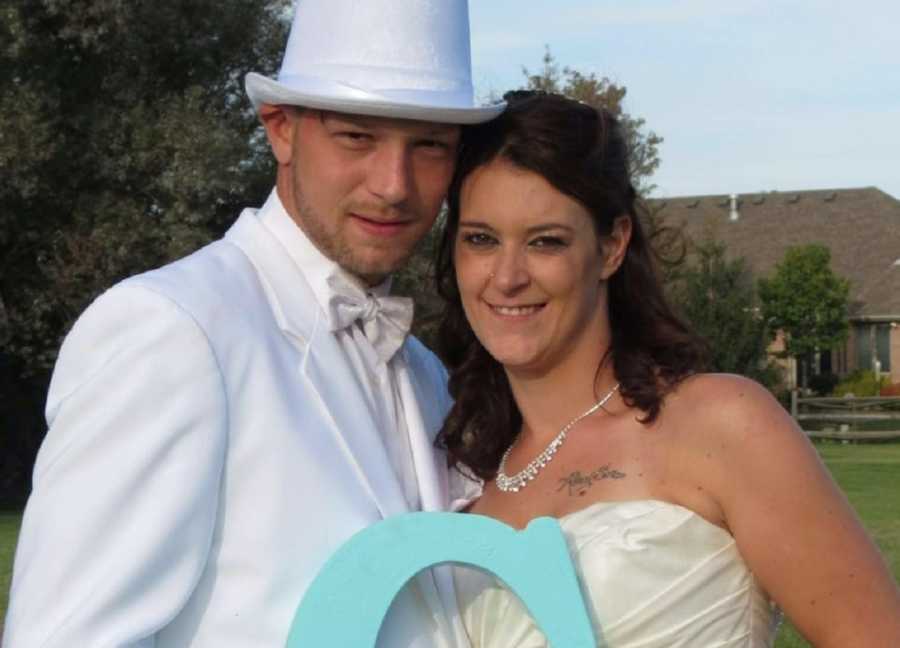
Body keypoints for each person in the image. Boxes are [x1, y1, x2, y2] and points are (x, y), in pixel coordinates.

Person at [2, 2, 503, 646]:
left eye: (430, 146)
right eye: (357, 136)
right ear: (281, 129)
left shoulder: (427, 374)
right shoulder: (173, 330)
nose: (394, 185)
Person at [436, 92, 900, 647]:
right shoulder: (461, 477)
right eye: (481, 240)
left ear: (612, 246)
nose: (507, 277)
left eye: (546, 242)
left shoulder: (720, 425)